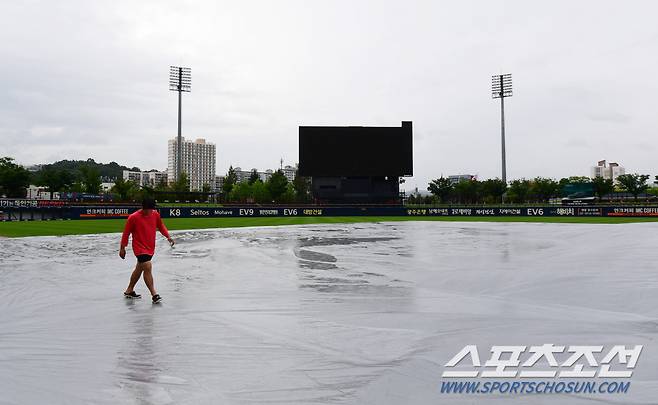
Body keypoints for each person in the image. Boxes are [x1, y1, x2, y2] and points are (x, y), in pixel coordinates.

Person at [119, 198, 174, 303]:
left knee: (139, 268)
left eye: (152, 209)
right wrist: (122, 248)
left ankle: (129, 290)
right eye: (149, 209)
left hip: (150, 247)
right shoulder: (133, 217)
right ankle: (154, 294)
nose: (151, 211)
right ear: (144, 208)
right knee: (147, 266)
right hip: (139, 248)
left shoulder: (155, 214)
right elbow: (126, 233)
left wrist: (168, 236)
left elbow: (160, 226)